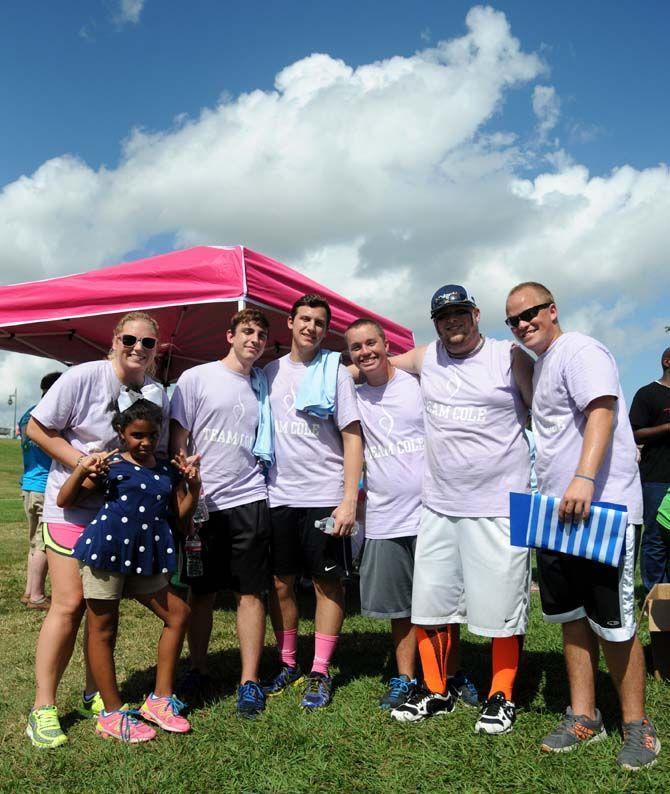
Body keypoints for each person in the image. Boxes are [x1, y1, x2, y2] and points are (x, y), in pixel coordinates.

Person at [505, 281, 660, 771]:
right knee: (571, 617)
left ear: (552, 310)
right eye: (514, 319)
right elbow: (546, 422)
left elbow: (602, 411)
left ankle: (638, 725)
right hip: (556, 514)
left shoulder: (580, 349)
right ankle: (583, 715)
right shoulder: (545, 361)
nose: (524, 323)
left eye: (530, 313)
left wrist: (585, 477)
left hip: (600, 509)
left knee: (613, 623)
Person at [388, 284, 533, 735]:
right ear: (435, 323)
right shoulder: (425, 357)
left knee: (504, 605)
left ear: (475, 313)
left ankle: (501, 696)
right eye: (442, 316)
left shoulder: (509, 356)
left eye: (459, 313)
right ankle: (437, 691)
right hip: (439, 504)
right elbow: (374, 366)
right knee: (432, 603)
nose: (452, 321)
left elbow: (544, 411)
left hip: (502, 504)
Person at [25, 311, 170, 749]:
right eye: (130, 339)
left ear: (156, 349)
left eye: (147, 343)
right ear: (114, 339)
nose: (138, 349)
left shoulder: (155, 391)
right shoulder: (85, 377)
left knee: (102, 609)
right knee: (68, 606)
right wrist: (80, 463)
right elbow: (34, 427)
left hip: (116, 515)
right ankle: (42, 708)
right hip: (70, 511)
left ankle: (93, 692)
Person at [59, 397, 197, 742]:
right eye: (137, 435)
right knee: (103, 629)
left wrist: (192, 486)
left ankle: (159, 701)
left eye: (152, 435)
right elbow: (66, 500)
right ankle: (111, 713)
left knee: (178, 614)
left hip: (146, 556)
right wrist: (82, 470)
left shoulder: (166, 469)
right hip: (107, 552)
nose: (146, 442)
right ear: (121, 433)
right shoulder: (111, 467)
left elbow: (180, 519)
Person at [170, 308, 273, 719]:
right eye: (247, 331)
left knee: (251, 591)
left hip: (250, 496)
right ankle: (198, 668)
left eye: (262, 335)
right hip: (205, 502)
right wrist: (188, 487)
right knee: (202, 592)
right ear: (230, 334)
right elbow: (178, 437)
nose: (255, 340)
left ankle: (249, 680)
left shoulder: (262, 384)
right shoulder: (196, 378)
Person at [263, 294, 363, 709]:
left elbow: (353, 435)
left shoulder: (335, 371)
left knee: (327, 583)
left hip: (324, 494)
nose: (311, 328)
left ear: (326, 330)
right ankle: (287, 662)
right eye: (304, 319)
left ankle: (319, 670)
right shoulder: (267, 372)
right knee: (280, 583)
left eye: (320, 323)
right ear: (290, 322)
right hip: (277, 494)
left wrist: (349, 499)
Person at [344, 319, 422, 710]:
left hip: (431, 513)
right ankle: (405, 677)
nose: (365, 352)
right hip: (384, 516)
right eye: (356, 347)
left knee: (442, 603)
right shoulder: (353, 396)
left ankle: (449, 674)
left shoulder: (417, 386)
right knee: (399, 608)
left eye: (371, 343)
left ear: (386, 343)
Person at [18, 371, 61, 610]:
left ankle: (29, 591)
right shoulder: (51, 415)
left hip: (29, 484)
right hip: (45, 486)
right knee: (44, 543)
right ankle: (36, 595)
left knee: (34, 542)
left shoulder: (28, 414)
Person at [629, 347, 670, 591]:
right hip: (656, 479)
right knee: (655, 538)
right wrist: (666, 428)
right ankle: (654, 594)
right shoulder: (647, 394)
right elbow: (633, 433)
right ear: (667, 361)